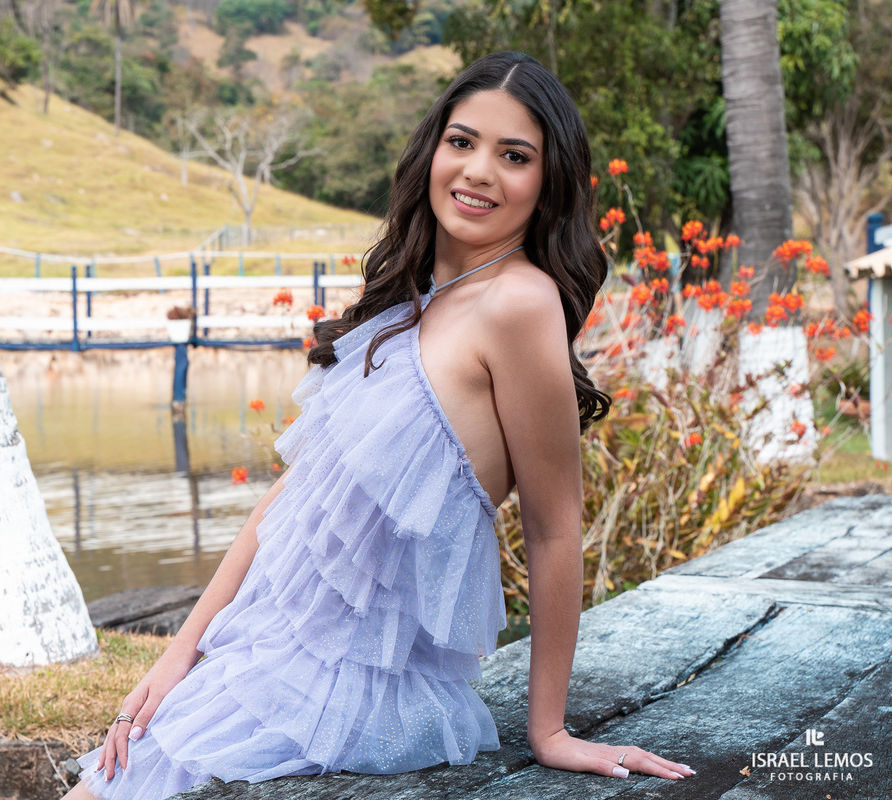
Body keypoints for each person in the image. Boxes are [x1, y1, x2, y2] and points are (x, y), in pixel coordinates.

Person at [66, 51, 696, 800]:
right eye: (462, 142)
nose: (479, 171)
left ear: (548, 181)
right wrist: (180, 656)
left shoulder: (519, 304)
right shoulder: (409, 301)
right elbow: (293, 503)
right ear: (433, 149)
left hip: (354, 687)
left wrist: (549, 732)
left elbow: (556, 526)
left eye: (514, 155)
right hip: (264, 652)